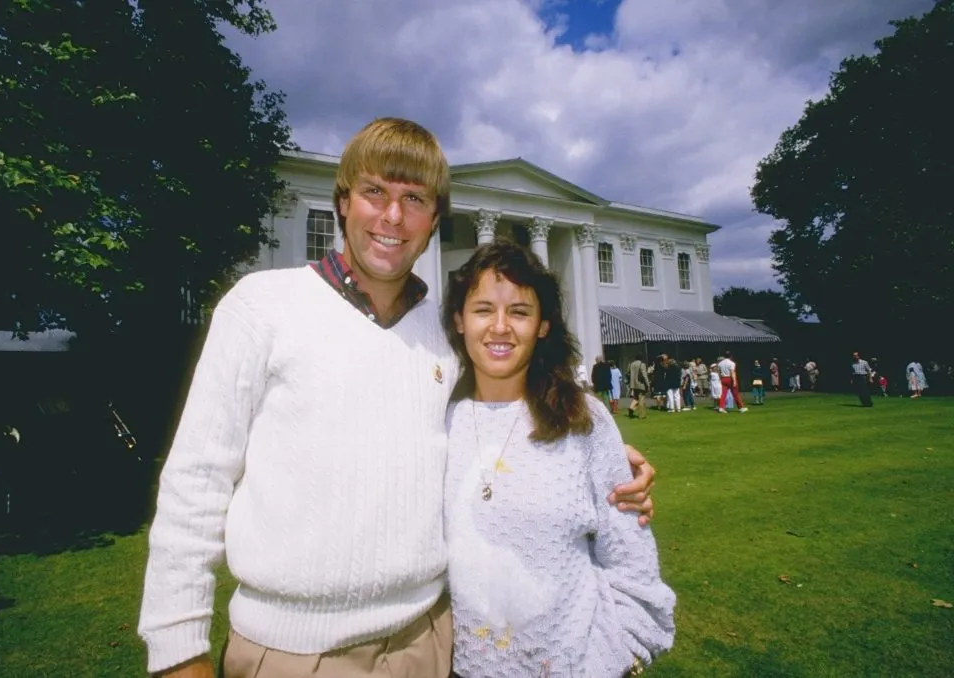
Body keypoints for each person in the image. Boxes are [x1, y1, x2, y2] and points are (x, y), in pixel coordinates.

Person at [137, 118, 657, 678]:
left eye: (413, 199)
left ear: (434, 219)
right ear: (343, 203)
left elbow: (499, 415)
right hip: (293, 651)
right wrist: (178, 649)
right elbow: (195, 482)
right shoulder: (261, 307)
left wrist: (599, 455)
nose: (392, 216)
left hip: (431, 645)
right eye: (374, 192)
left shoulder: (444, 338)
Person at [442, 240, 675, 677]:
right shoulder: (438, 421)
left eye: (519, 311)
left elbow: (633, 565)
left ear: (543, 326)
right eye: (482, 309)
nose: (499, 327)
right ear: (459, 320)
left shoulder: (585, 421)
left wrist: (612, 659)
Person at [628, 353, 651, 419]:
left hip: (633, 384)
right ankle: (641, 415)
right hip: (641, 384)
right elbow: (644, 375)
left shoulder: (631, 364)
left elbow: (628, 373)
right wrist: (648, 384)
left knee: (636, 398)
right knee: (641, 399)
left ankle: (631, 408)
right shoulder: (642, 364)